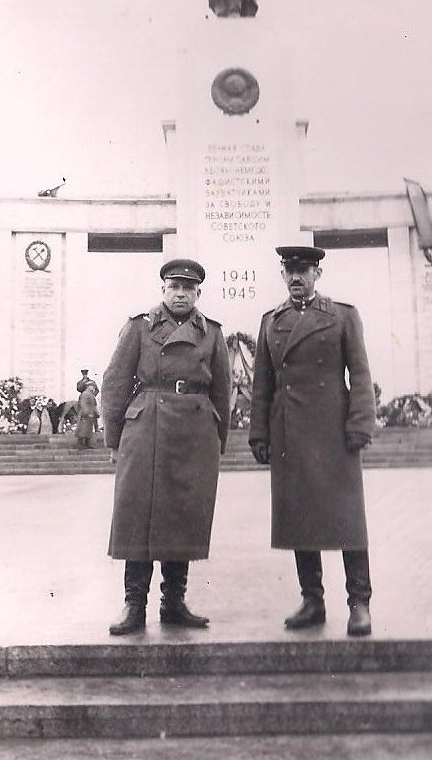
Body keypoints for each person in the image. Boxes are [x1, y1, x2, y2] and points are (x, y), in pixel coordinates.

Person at [249, 245, 376, 637]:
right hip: (290, 432)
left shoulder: (342, 316)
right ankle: (312, 600)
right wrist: (259, 432)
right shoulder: (271, 321)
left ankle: (359, 603)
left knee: (348, 519)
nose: (296, 277)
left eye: (303, 270)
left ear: (317, 274)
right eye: (289, 270)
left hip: (334, 432)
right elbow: (262, 384)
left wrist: (360, 423)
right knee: (300, 519)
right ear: (282, 274)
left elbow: (360, 373)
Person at [101, 258, 232, 636]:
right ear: (163, 290)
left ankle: (174, 602)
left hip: (195, 431)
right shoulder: (139, 327)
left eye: (188, 288)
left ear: (198, 293)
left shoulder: (211, 333)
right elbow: (114, 383)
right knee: (137, 514)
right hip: (146, 428)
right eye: (174, 287)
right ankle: (134, 604)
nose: (181, 294)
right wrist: (114, 439)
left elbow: (222, 389)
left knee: (183, 514)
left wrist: (217, 439)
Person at [75, 381, 99, 448]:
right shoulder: (85, 394)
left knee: (88, 429)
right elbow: (83, 404)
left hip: (90, 414)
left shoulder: (91, 394)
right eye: (92, 386)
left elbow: (94, 405)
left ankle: (87, 443)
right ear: (88, 386)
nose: (93, 387)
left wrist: (96, 412)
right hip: (85, 414)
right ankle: (80, 444)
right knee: (82, 429)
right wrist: (86, 412)